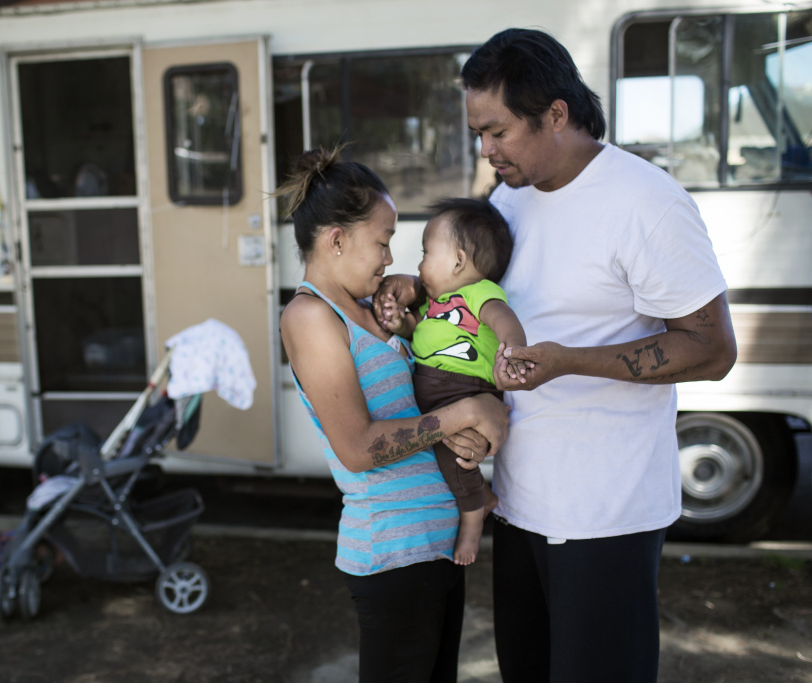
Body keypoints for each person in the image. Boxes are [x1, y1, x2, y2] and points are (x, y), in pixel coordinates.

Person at [376, 28, 737, 683]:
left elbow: (712, 348)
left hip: (605, 514)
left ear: (557, 115)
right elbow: (463, 283)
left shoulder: (644, 201)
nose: (485, 151)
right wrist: (409, 283)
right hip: (520, 503)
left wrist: (569, 360)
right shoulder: (508, 198)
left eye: (497, 132)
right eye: (477, 134)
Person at [277, 147, 510, 683]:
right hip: (393, 552)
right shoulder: (310, 316)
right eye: (382, 242)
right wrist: (466, 413)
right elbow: (358, 448)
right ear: (337, 239)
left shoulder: (371, 309)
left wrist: (465, 434)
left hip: (435, 548)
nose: (387, 257)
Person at [377, 197, 528, 565]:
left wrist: (512, 352)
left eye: (426, 252)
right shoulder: (433, 304)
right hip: (435, 389)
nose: (419, 264)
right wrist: (402, 324)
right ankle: (479, 499)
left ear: (458, 260)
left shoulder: (480, 293)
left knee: (453, 458)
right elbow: (424, 335)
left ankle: (475, 516)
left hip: (464, 388)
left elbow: (503, 319)